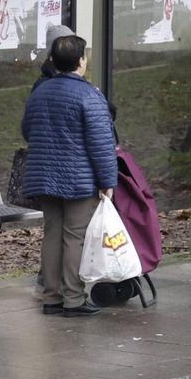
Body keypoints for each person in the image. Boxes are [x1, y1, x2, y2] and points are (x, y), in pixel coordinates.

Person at [20, 34, 118, 316]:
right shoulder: (89, 95)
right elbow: (102, 144)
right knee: (74, 237)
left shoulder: (40, 92)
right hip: (78, 180)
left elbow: (28, 130)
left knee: (52, 235)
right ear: (80, 61)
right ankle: (74, 298)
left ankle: (51, 297)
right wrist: (107, 182)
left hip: (43, 177)